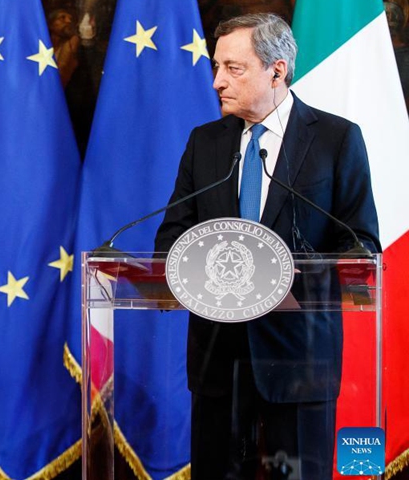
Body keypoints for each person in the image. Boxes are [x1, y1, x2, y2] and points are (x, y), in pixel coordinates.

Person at [154, 13, 380, 480]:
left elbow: (361, 246)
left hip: (300, 363)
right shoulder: (205, 143)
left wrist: (290, 272)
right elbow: (171, 240)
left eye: (233, 68)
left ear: (277, 71)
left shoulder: (336, 139)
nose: (217, 81)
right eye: (217, 66)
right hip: (219, 362)